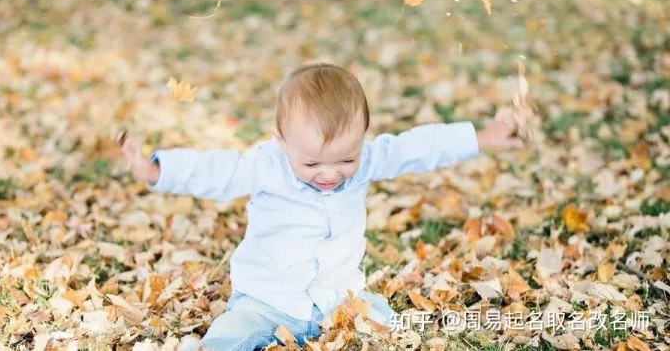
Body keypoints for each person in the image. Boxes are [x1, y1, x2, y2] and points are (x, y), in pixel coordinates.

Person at [118, 63, 532, 350]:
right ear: (281, 140)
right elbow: (215, 171)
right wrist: (154, 170)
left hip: (339, 299)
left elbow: (417, 148)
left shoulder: (367, 160)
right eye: (312, 162)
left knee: (390, 324)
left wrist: (485, 136)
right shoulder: (266, 166)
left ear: (363, 138)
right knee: (230, 337)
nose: (330, 174)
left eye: (345, 159)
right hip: (267, 300)